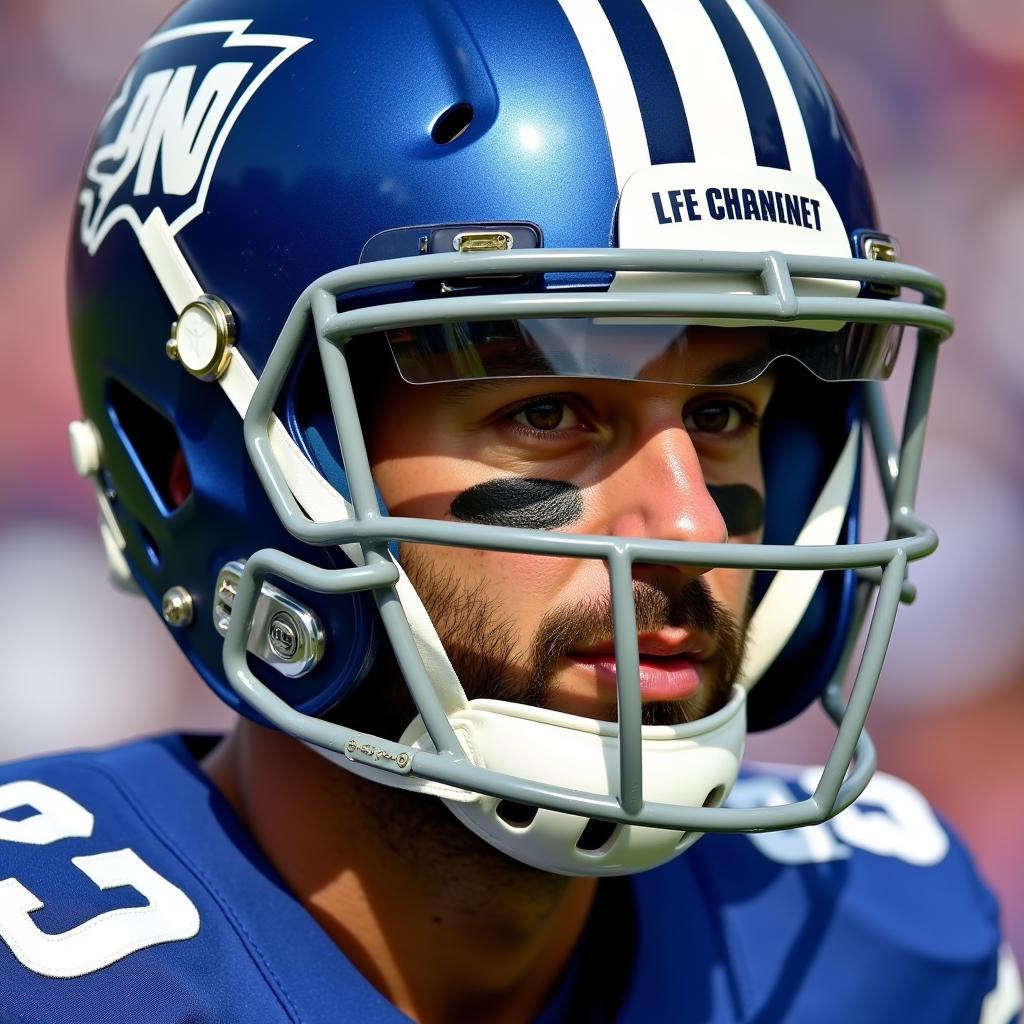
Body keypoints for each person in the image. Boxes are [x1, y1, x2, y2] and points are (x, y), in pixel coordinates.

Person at [1, 1, 1019, 1020]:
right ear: (211, 456)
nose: (687, 525)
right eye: (548, 411)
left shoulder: (872, 941)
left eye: (720, 413)